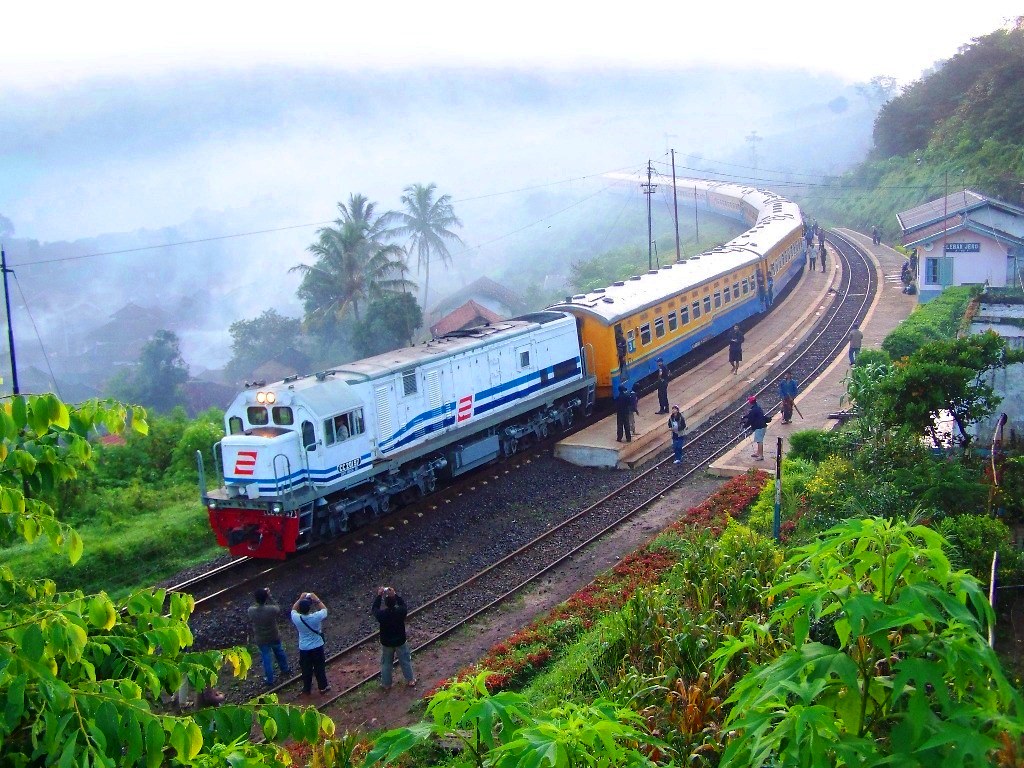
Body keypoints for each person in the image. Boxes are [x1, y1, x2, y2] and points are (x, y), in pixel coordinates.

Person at [373, 586, 416, 689]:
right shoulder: (400, 612)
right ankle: (410, 680)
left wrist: (379, 595)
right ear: (394, 602)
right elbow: (403, 605)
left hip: (387, 642)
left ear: (386, 604)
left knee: (386, 663)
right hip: (400, 641)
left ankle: (386, 684)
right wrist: (395, 595)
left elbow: (374, 608)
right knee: (405, 660)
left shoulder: (382, 615)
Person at [248, 587, 293, 686]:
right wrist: (269, 596)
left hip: (261, 639)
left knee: (266, 658)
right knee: (279, 652)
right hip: (274, 636)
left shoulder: (251, 611)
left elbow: (255, 606)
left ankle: (270, 679)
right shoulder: (271, 610)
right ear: (266, 598)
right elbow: (278, 607)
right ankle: (285, 669)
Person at [291, 592, 330, 695]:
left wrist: (300, 598)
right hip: (317, 646)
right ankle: (323, 687)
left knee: (306, 669)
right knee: (319, 667)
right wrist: (315, 598)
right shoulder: (316, 617)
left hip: (304, 648)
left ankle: (306, 689)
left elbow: (293, 609)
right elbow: (324, 610)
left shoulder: (297, 618)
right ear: (309, 608)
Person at [742, 395, 770, 461]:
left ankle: (761, 455)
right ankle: (758, 453)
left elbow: (750, 419)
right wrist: (745, 417)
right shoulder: (757, 407)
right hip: (761, 426)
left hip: (759, 427)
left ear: (750, 402)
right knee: (758, 440)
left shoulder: (753, 410)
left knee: (759, 441)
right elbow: (751, 415)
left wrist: (745, 425)